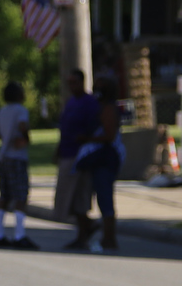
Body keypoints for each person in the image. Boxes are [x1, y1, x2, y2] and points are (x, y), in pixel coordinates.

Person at [75, 78, 127, 253]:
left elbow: (109, 136)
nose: (96, 90)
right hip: (98, 159)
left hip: (106, 158)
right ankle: (105, 237)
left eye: (100, 87)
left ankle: (110, 238)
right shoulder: (101, 106)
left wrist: (86, 138)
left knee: (105, 198)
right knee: (100, 197)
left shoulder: (109, 109)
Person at [0, 81, 38, 249]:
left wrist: (3, 137)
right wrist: (25, 137)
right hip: (17, 157)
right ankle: (19, 234)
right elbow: (23, 125)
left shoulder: (3, 111)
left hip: (3, 157)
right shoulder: (20, 110)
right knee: (20, 195)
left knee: (4, 195)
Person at [54, 71, 102, 249]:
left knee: (80, 197)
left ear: (82, 82)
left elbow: (95, 127)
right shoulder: (70, 102)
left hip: (81, 156)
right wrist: (58, 149)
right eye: (68, 82)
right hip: (67, 153)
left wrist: (85, 137)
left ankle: (83, 234)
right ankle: (87, 228)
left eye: (74, 82)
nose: (71, 86)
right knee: (67, 198)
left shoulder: (89, 103)